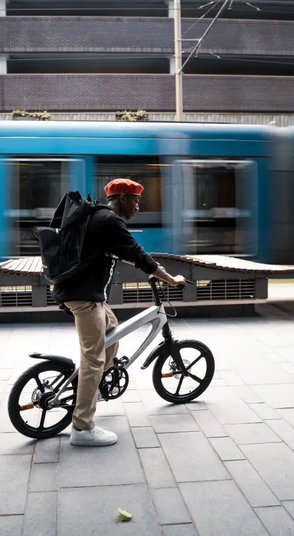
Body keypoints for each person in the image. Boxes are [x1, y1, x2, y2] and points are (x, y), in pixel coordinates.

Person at [51, 178, 186, 446]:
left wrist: (143, 263)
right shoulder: (110, 220)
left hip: (87, 294)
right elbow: (137, 252)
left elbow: (114, 250)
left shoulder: (98, 217)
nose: (137, 207)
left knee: (112, 328)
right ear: (123, 199)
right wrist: (170, 279)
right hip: (83, 297)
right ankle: (82, 428)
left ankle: (97, 385)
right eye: (135, 202)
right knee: (93, 359)